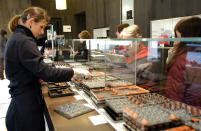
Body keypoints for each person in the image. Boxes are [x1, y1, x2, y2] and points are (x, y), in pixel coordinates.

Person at [4, 7, 85, 131]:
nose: (42, 32)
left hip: (22, 102)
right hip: (24, 108)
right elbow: (46, 72)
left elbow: (32, 68)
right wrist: (73, 72)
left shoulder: (19, 37)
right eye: (41, 27)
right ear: (31, 22)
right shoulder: (24, 41)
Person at [166, 17, 201, 108]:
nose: (174, 42)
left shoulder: (182, 60)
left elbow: (174, 98)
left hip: (188, 115)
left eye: (177, 37)